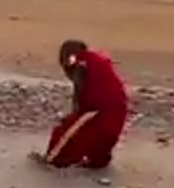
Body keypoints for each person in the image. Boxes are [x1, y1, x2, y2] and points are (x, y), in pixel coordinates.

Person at [31, 40, 130, 169]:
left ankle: (53, 159)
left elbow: (80, 90)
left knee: (68, 130)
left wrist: (76, 112)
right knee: (101, 135)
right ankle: (98, 161)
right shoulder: (94, 60)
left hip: (100, 106)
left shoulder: (80, 63)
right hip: (118, 105)